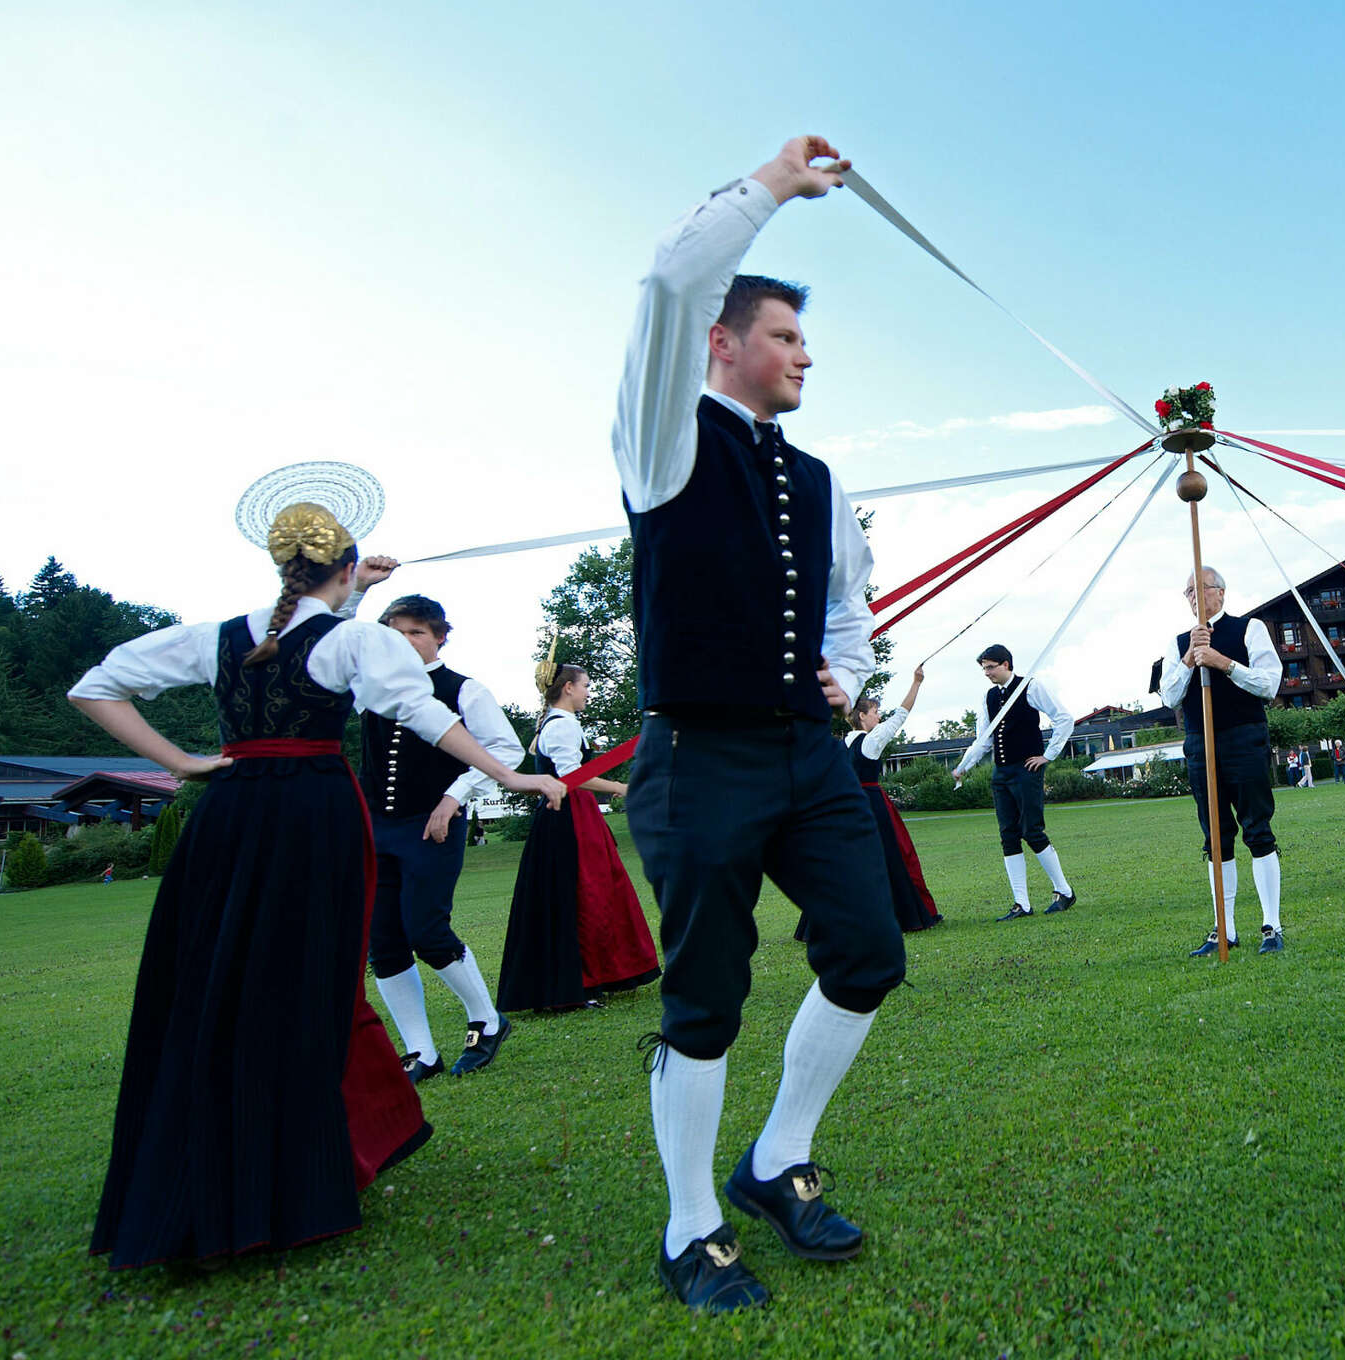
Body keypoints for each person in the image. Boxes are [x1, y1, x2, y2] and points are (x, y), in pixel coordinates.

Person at [68, 500, 565, 1269]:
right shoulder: (357, 639)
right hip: (313, 817)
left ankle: (207, 1167)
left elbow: (95, 686)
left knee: (214, 981)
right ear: (344, 569)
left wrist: (184, 764)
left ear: (280, 567)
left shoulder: (219, 636)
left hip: (230, 817)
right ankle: (291, 1176)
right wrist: (512, 774)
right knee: (304, 982)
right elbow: (424, 715)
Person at [610, 134, 907, 1311]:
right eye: (785, 336)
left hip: (803, 751)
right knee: (706, 998)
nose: (805, 355)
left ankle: (775, 1156)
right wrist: (775, 188)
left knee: (869, 952)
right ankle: (692, 1227)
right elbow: (667, 286)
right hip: (695, 758)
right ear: (724, 345)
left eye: (804, 338)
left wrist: (846, 669)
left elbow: (849, 606)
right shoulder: (662, 436)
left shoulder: (822, 478)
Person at [333, 586, 524, 1082]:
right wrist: (356, 591)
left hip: (433, 826)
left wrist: (454, 795)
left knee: (426, 930)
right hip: (376, 829)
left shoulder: (464, 689)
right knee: (384, 941)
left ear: (440, 638)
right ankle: (422, 1051)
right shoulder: (369, 689)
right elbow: (332, 642)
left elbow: (508, 748)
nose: (405, 640)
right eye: (395, 633)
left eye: (416, 632)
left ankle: (486, 1021)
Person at [498, 662, 662, 1012]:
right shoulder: (561, 726)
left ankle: (593, 977)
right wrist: (620, 787)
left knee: (591, 893)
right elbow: (571, 776)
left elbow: (544, 757)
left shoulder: (557, 724)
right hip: (569, 817)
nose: (589, 691)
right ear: (568, 688)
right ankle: (579, 981)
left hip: (572, 815)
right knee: (583, 895)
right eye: (585, 685)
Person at [1158, 566, 1286, 956]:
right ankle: (1223, 928)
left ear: (1222, 592)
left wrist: (1222, 662)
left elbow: (1270, 683)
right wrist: (1189, 660)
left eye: (1201, 588)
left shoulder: (1249, 629)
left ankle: (1272, 926)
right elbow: (1168, 697)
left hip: (1243, 737)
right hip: (1200, 744)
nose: (1194, 596)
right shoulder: (1180, 642)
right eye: (1188, 592)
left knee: (1257, 829)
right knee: (1216, 837)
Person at [952, 644, 1078, 920]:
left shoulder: (1030, 687)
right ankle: (1022, 903)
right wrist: (963, 766)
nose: (987, 673)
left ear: (1006, 664)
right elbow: (983, 738)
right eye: (984, 668)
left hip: (1026, 770)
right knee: (1008, 835)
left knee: (1031, 830)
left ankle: (1064, 891)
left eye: (990, 667)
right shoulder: (989, 696)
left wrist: (1047, 755)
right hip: (1002, 773)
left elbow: (1064, 719)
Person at [844, 666, 942, 933]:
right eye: (875, 712)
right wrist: (916, 683)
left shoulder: (841, 743)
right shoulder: (871, 739)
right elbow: (902, 714)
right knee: (896, 856)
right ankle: (904, 915)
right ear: (862, 716)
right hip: (872, 803)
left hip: (847, 805)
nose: (878, 716)